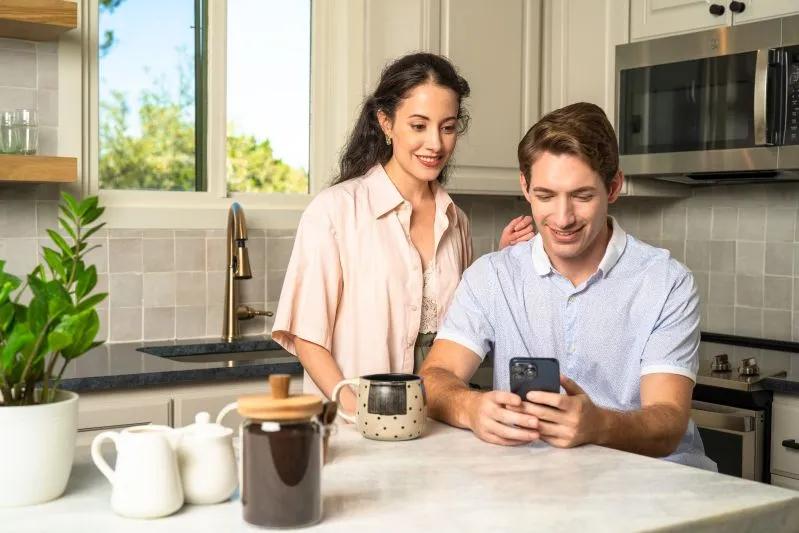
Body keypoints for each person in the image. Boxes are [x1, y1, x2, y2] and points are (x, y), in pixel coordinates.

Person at [419, 102, 716, 470]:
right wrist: (471, 407)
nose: (562, 218)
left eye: (582, 196)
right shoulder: (492, 277)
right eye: (545, 196)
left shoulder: (666, 282)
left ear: (613, 187)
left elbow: (668, 422)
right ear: (525, 187)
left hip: (651, 489)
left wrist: (600, 425)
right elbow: (433, 378)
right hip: (537, 484)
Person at [271, 53, 533, 413]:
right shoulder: (335, 211)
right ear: (386, 123)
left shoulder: (456, 220)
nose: (435, 144)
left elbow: (465, 328)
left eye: (447, 127)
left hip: (434, 420)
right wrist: (355, 411)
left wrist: (499, 265)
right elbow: (308, 338)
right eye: (418, 125)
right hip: (355, 425)